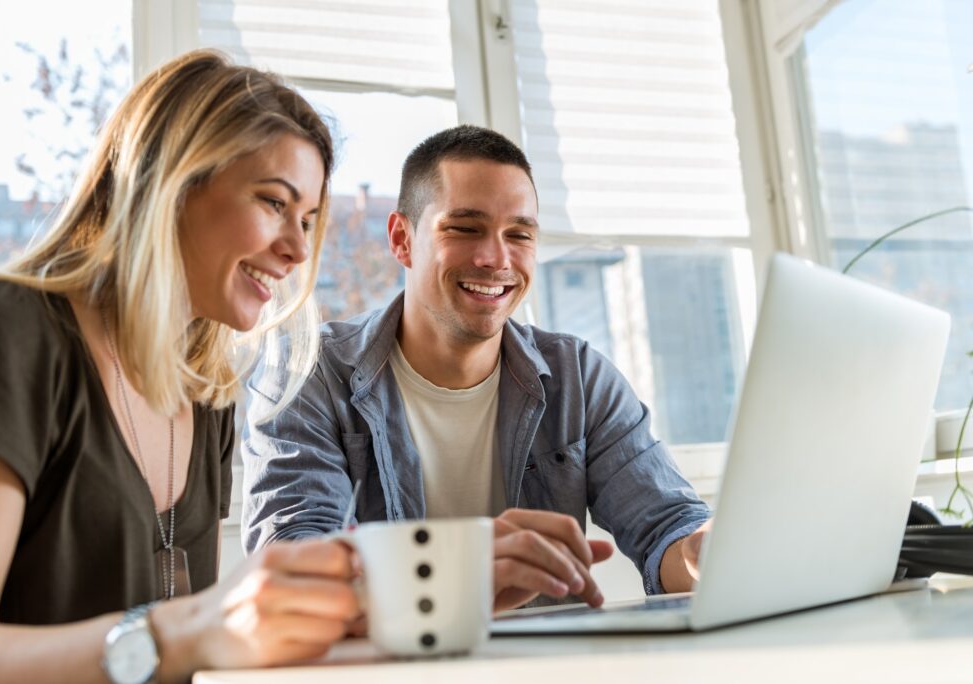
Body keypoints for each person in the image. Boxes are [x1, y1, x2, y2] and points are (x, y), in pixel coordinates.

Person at [0, 50, 360, 683]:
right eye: (274, 203)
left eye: (307, 220)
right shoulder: (5, 330)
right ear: (173, 180)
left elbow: (194, 651)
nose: (298, 249)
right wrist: (178, 632)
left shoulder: (209, 394)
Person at [242, 125, 712, 612]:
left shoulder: (579, 377)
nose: (495, 258)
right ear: (402, 239)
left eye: (520, 234)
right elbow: (294, 564)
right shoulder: (306, 371)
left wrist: (706, 550)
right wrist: (459, 568)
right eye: (464, 228)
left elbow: (667, 529)